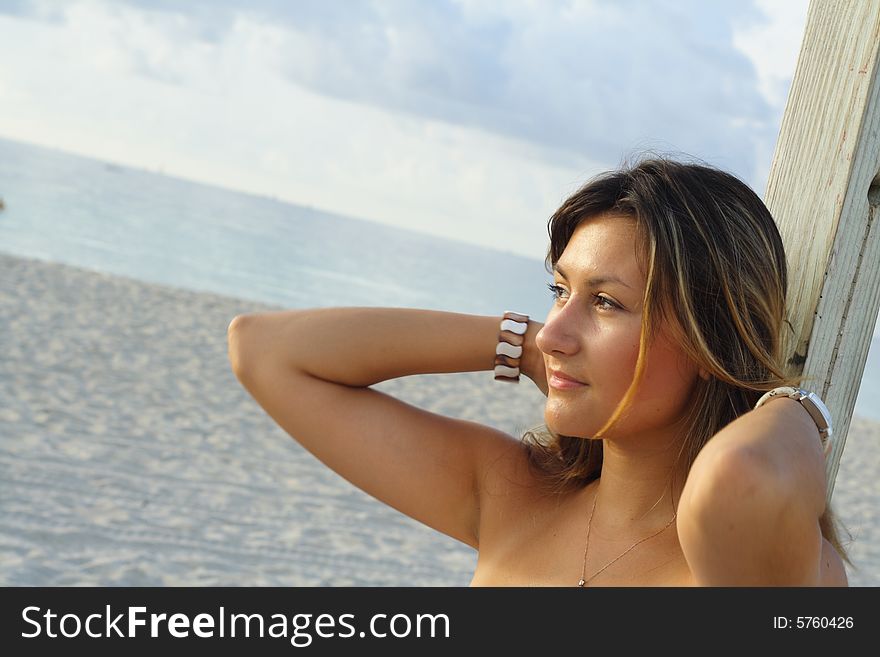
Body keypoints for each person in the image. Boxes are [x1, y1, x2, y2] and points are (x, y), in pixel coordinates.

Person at [227, 157, 850, 586]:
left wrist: (799, 409)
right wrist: (521, 346)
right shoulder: (512, 494)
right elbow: (265, 350)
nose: (555, 331)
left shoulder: (750, 561)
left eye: (606, 302)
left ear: (709, 337)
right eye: (559, 290)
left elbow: (738, 477)